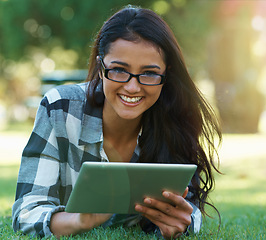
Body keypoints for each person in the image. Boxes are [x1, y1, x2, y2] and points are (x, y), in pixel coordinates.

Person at [12, 5, 222, 239]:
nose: (133, 86)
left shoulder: (175, 118)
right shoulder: (60, 108)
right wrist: (79, 220)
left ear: (166, 75)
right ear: (101, 69)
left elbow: (190, 209)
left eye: (149, 73)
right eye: (119, 70)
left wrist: (183, 223)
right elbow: (26, 213)